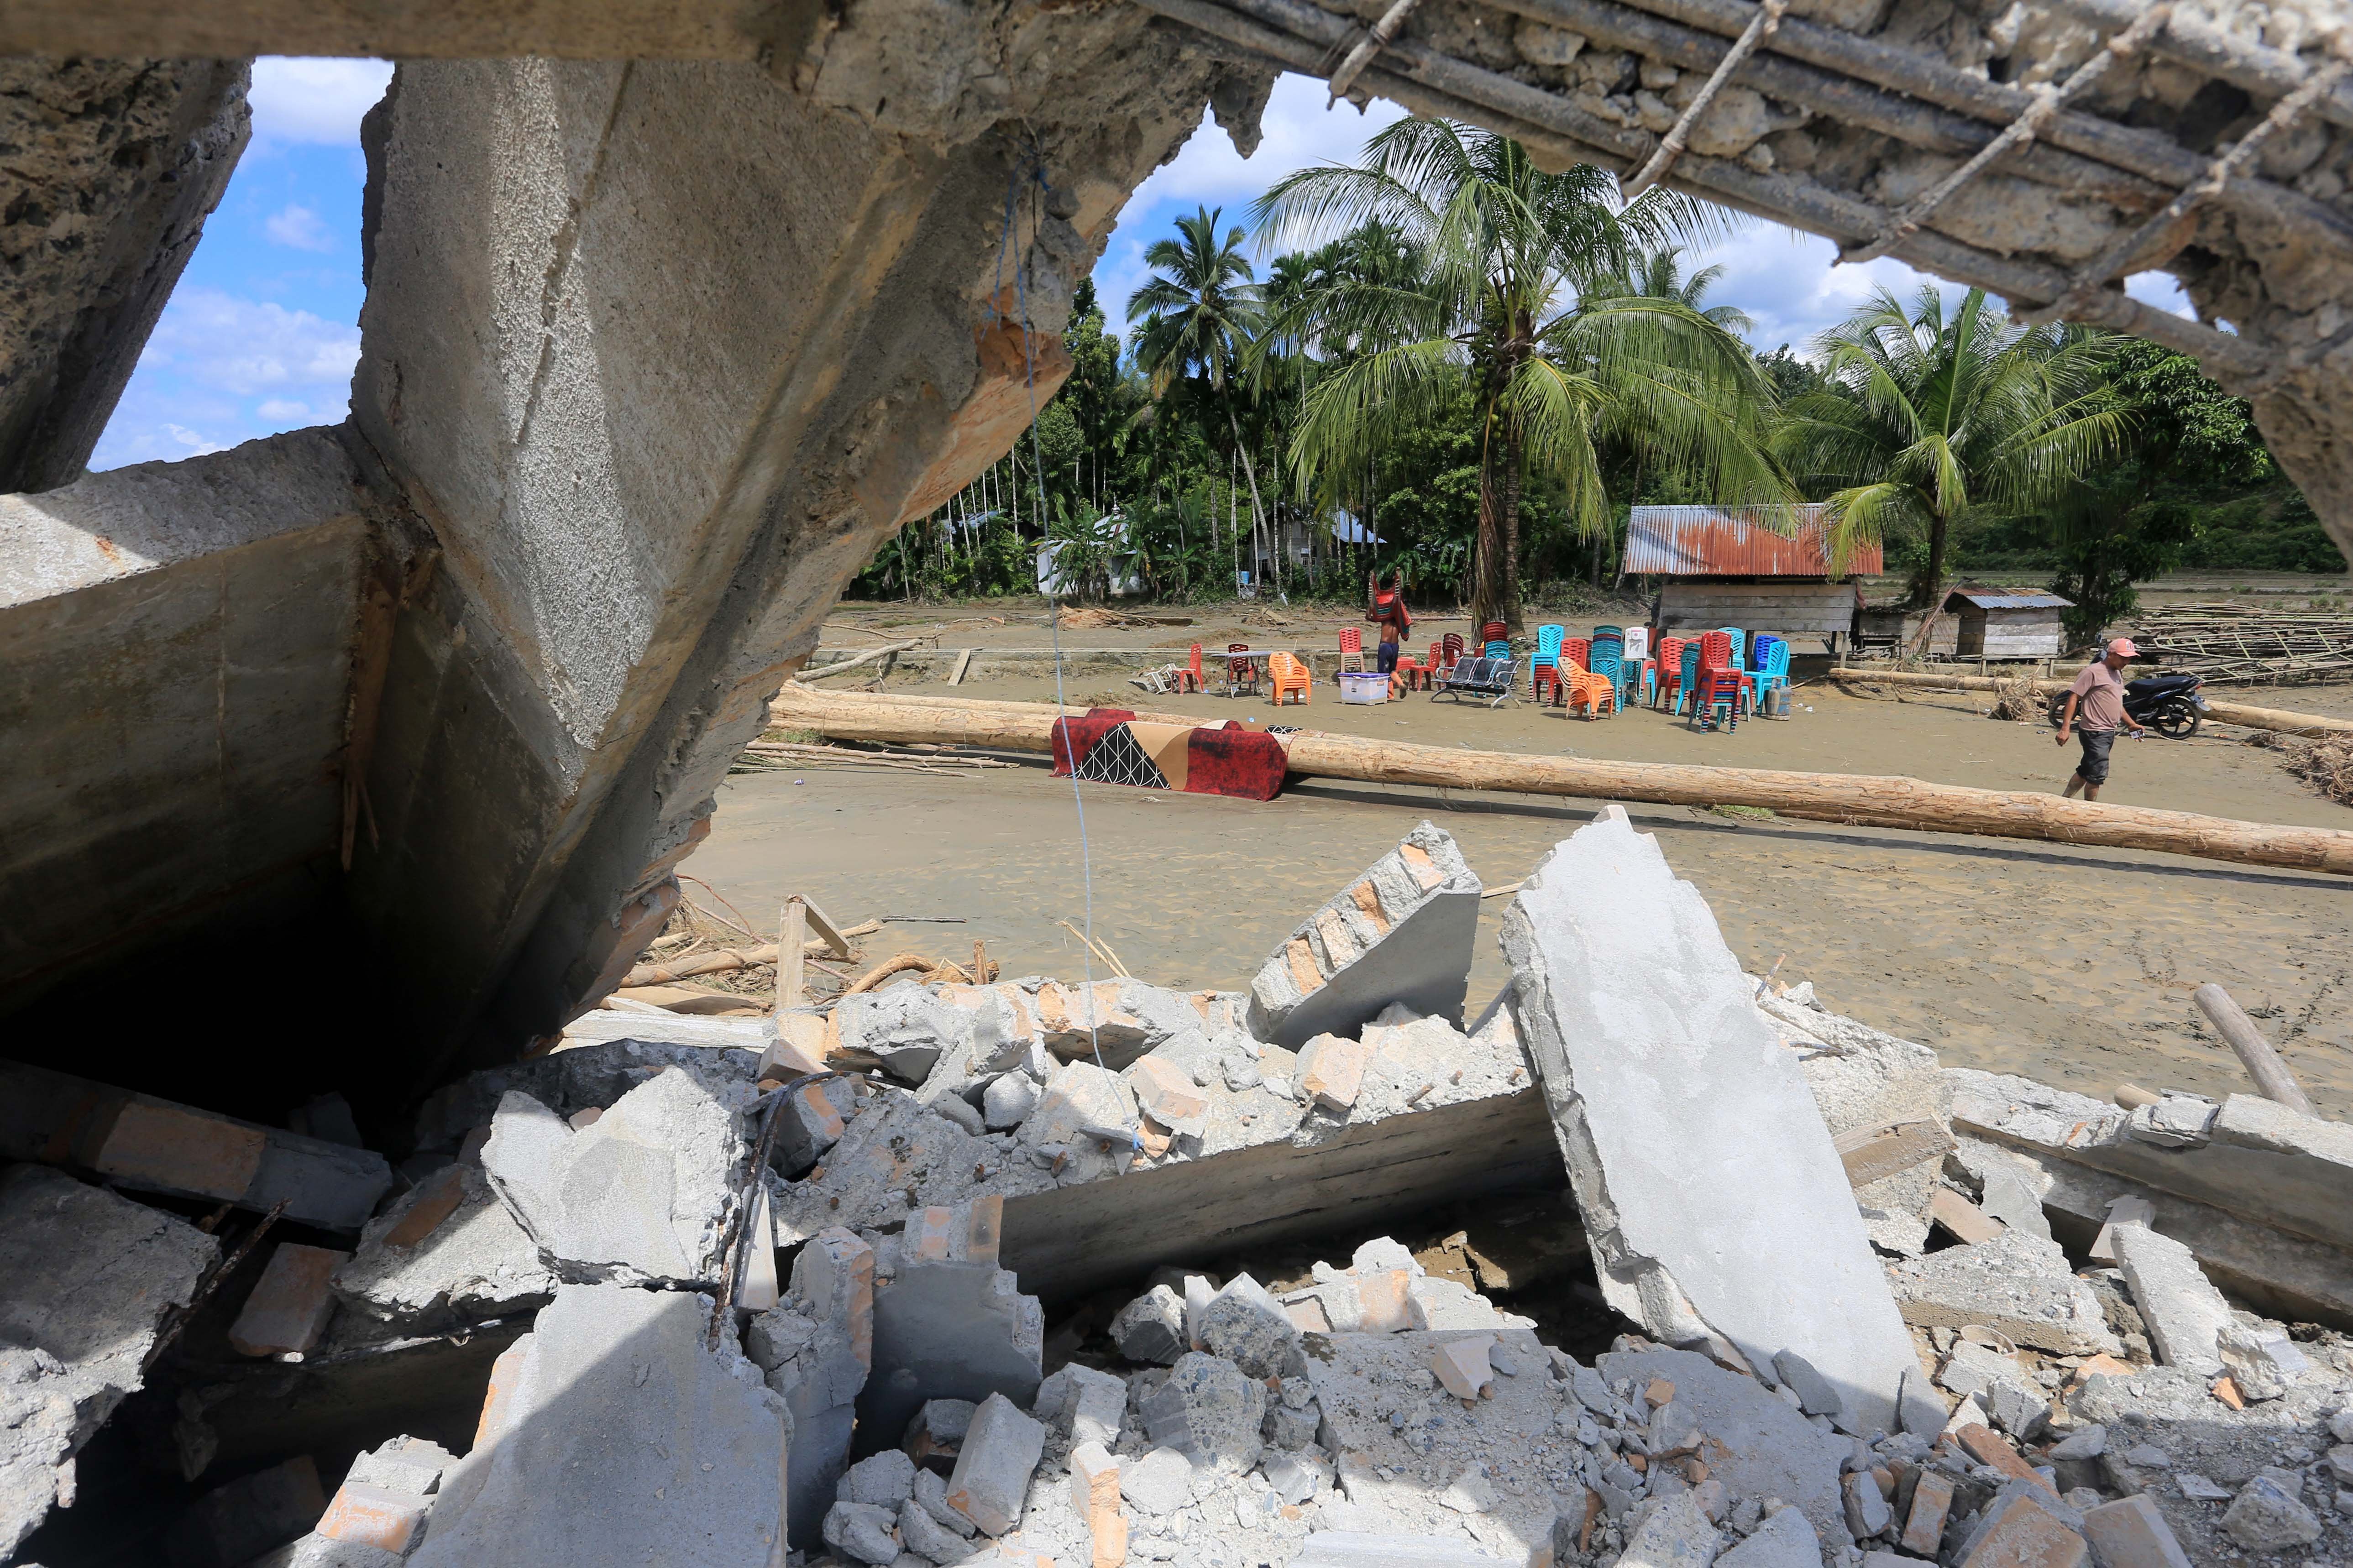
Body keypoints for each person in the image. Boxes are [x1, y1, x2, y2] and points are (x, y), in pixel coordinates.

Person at [2056, 637, 2146, 801]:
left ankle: (2064, 800)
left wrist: (2131, 724)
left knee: (2087, 769)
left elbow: (2116, 703)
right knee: (2097, 775)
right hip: (2094, 732)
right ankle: (2090, 811)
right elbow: (2073, 698)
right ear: (2111, 654)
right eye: (2123, 657)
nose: (2127, 661)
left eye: (2129, 658)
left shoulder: (2117, 673)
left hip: (2108, 732)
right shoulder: (2092, 672)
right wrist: (2065, 728)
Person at [1367, 570, 1411, 677]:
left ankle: (1385, 691)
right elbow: (1406, 637)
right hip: (1395, 646)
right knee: (1392, 672)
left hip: (1385, 646)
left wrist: (1370, 605)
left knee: (1382, 674)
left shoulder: (1385, 619)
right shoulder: (1400, 620)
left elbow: (1369, 617)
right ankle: (1400, 684)